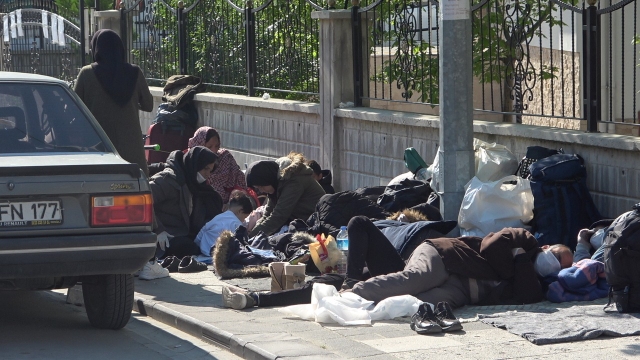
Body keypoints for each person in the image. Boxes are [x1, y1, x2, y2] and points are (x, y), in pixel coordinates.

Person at [222, 217, 574, 310]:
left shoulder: (537, 283)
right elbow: (494, 244)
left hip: (456, 289)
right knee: (409, 281)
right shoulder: (522, 241)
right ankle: (349, 289)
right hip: (440, 256)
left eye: (563, 263)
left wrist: (530, 268)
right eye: (559, 252)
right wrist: (520, 256)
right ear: (547, 245)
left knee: (396, 303)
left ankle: (256, 300)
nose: (557, 260)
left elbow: (529, 296)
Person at [74, 29, 153, 176]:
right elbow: (148, 105)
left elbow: (74, 109)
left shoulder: (86, 74)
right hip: (132, 151)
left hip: (99, 148)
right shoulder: (135, 73)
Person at [150, 146, 223, 260]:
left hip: (183, 232)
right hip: (165, 236)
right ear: (195, 166)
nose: (208, 174)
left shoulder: (194, 184)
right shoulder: (169, 180)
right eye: (205, 169)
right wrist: (158, 229)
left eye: (210, 170)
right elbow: (142, 202)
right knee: (187, 248)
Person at [245, 152, 326, 237]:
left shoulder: (294, 181)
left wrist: (250, 238)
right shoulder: (277, 183)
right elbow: (268, 214)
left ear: (268, 179)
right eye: (258, 188)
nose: (261, 191)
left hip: (318, 224)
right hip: (303, 223)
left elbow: (279, 216)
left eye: (262, 186)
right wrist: (252, 234)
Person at [186, 126, 250, 203]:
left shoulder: (225, 158)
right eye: (209, 147)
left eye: (217, 146)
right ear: (200, 145)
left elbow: (239, 180)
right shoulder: (190, 162)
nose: (214, 150)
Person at [193, 190, 253, 264]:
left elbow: (203, 230)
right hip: (221, 254)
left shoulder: (218, 217)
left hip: (205, 250)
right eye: (245, 217)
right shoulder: (237, 224)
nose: (244, 221)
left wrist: (196, 244)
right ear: (240, 211)